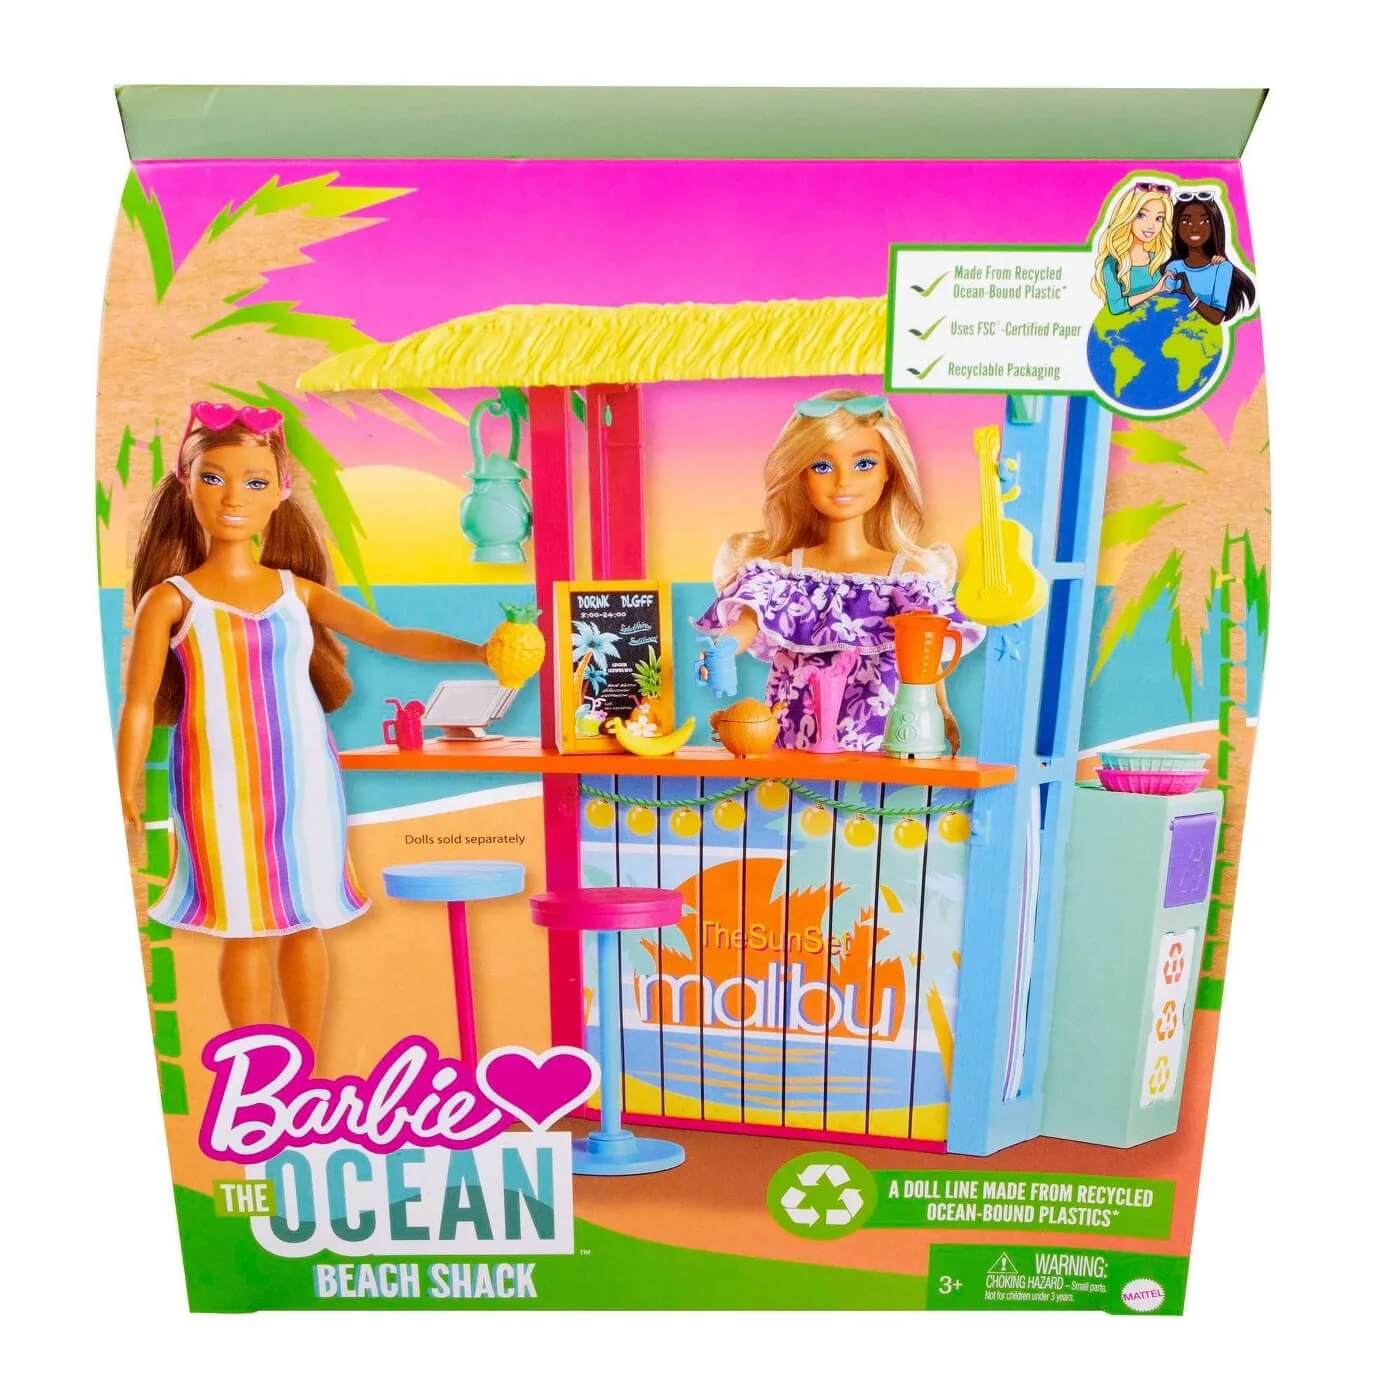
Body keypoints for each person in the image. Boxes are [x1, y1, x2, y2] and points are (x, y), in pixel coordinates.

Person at [116, 402, 487, 1055]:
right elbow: (139, 702)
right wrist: (123, 789)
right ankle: (257, 1068)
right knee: (243, 925)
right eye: (213, 478)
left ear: (281, 491)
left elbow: (389, 637)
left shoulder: (297, 592)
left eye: (255, 481)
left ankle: (304, 1063)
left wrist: (481, 653)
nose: (234, 497)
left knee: (303, 917)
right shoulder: (172, 599)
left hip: (305, 781)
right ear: (185, 481)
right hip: (217, 785)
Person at [693, 390, 983, 752]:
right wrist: (722, 650)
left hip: (880, 737)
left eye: (864, 464)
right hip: (795, 737)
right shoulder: (784, 575)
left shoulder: (906, 581)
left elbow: (925, 656)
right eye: (822, 466)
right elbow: (748, 623)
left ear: (889, 471)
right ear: (801, 476)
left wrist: (941, 710)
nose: (843, 482)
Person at [1162, 191, 1257, 324]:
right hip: (1174, 333)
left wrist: (1190, 294)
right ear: (1176, 226)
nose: (1195, 228)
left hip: (1207, 335)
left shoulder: (1222, 268)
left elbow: (1217, 317)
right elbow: (1164, 309)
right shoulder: (1174, 267)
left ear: (1214, 225)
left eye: (1205, 221)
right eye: (1186, 221)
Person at [1090, 181, 1177, 314]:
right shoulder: (1112, 263)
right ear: (1128, 215)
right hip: (1125, 325)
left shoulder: (1156, 260)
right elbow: (1116, 307)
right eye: (1142, 215)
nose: (1151, 226)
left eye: (1159, 218)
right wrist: (1154, 290)